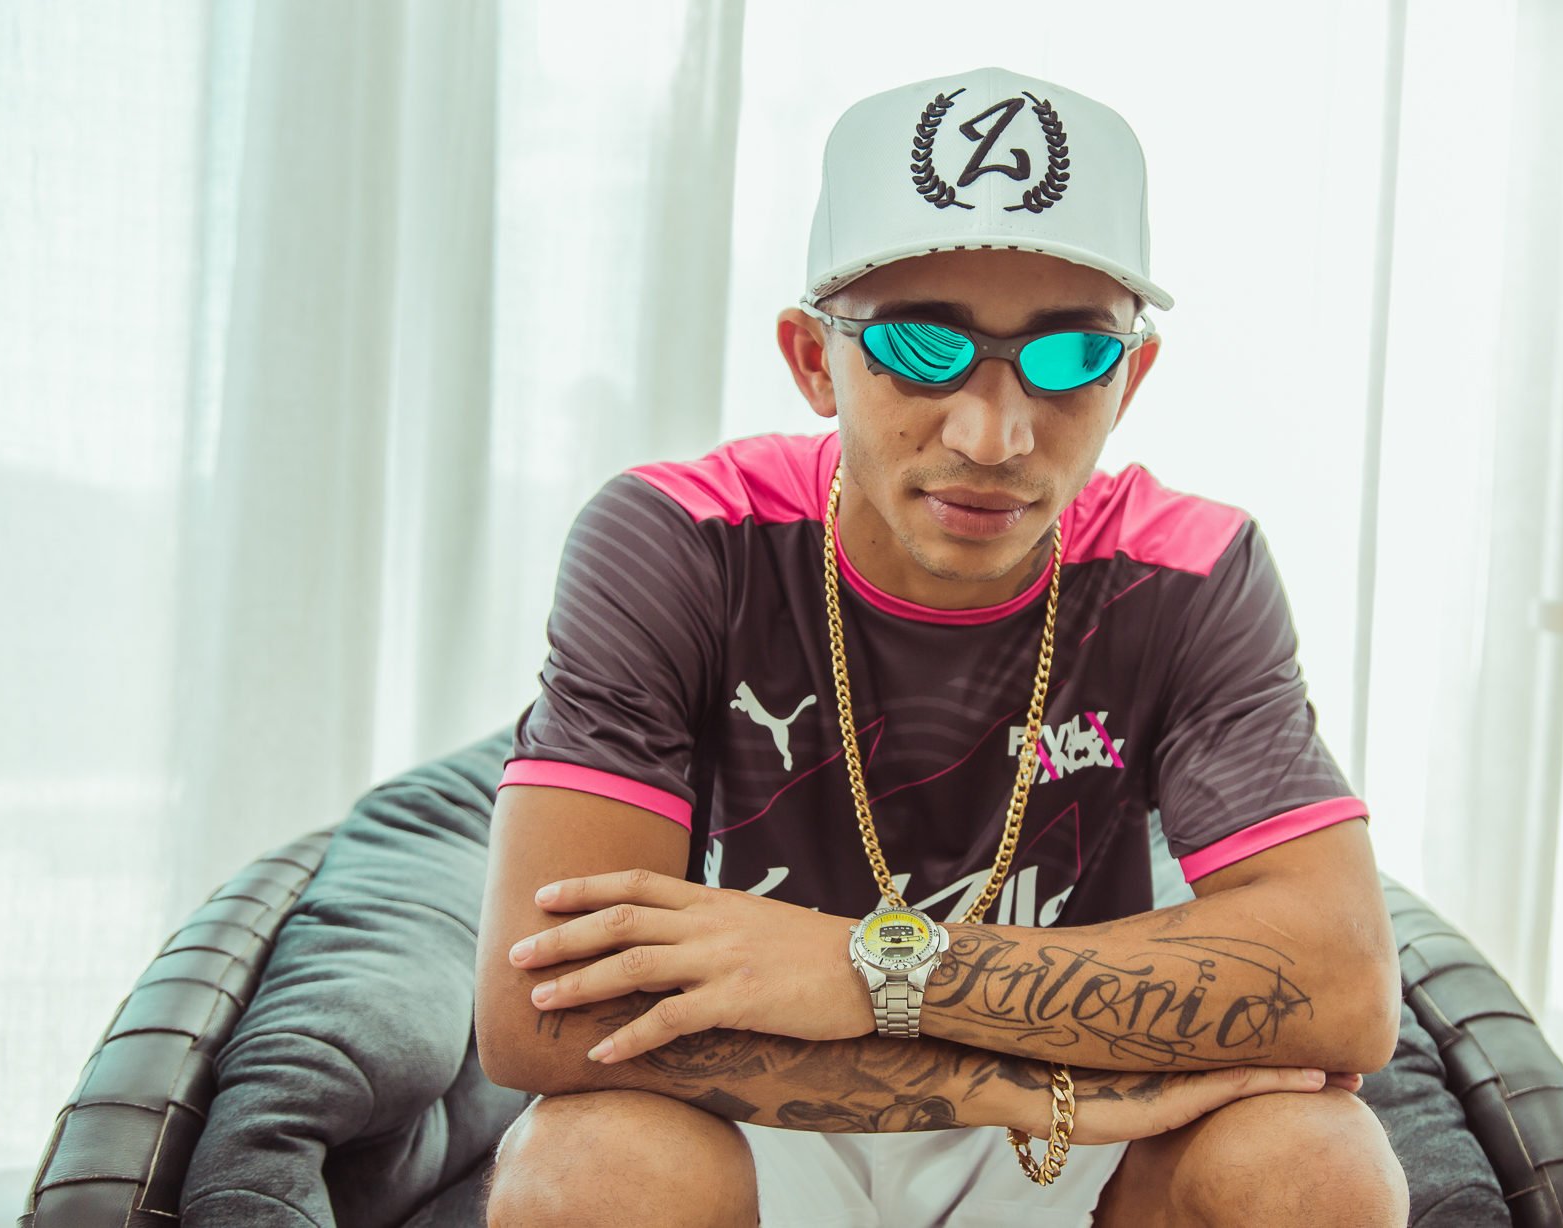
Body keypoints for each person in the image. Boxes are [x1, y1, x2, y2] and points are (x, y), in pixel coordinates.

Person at [474, 64, 1408, 1227]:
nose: (994, 433)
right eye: (921, 348)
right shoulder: (681, 538)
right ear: (812, 360)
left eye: (1070, 359)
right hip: (816, 1103)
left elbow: (1344, 982)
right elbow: (538, 1011)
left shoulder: (1188, 569)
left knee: (1316, 1164)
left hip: (1065, 1120)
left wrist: (867, 965)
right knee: (589, 1169)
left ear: (1131, 377)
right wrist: (1005, 1082)